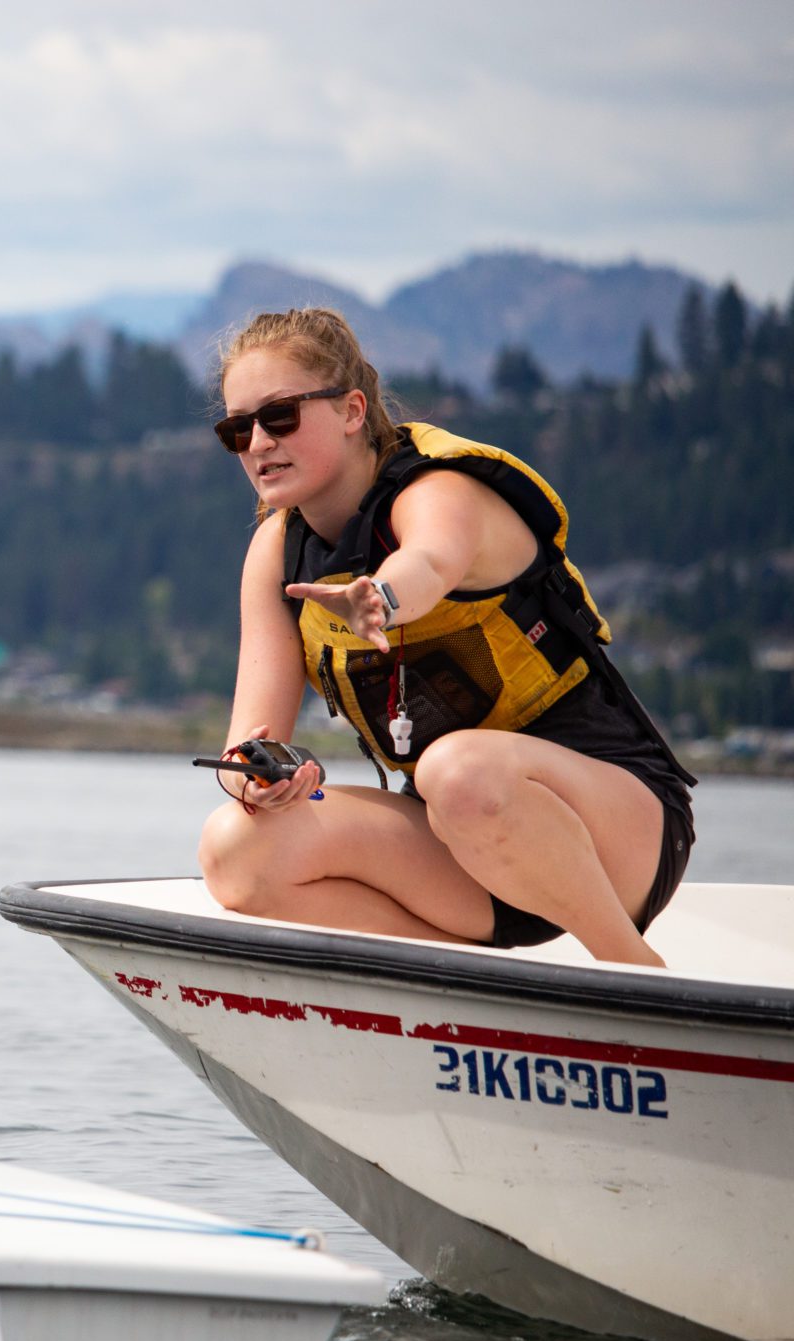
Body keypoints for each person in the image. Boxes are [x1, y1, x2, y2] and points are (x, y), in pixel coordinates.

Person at [196, 309, 694, 967]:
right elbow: (250, 735)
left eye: (280, 416)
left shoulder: (437, 490)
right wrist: (260, 778)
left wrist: (377, 597)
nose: (258, 441)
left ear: (351, 410)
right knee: (235, 848)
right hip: (463, 850)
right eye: (238, 428)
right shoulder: (275, 552)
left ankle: (631, 970)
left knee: (455, 771)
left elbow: (427, 563)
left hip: (618, 833)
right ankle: (474, 983)